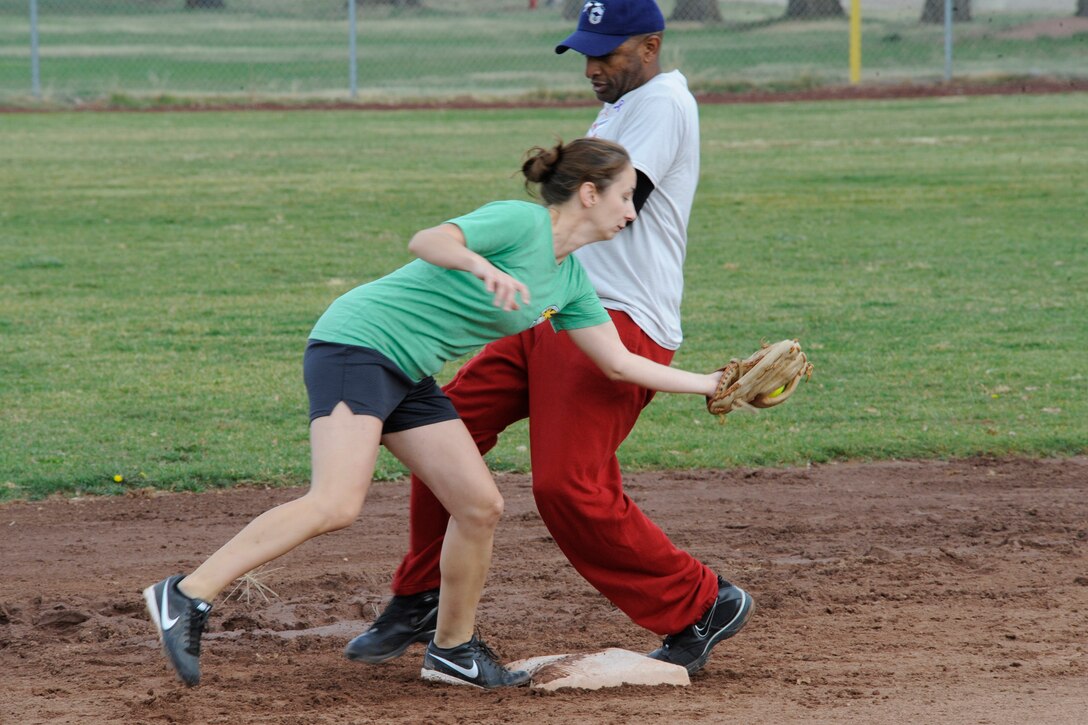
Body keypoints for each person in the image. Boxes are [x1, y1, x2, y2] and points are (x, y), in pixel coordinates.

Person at [143, 137, 728, 691]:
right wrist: (481, 265)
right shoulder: (521, 223)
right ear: (589, 192)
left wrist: (710, 383)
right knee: (336, 502)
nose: (633, 211)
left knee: (479, 506)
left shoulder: (571, 282)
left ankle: (454, 651)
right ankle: (188, 593)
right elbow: (427, 240)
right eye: (626, 195)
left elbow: (619, 364)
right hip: (358, 346)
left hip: (407, 372)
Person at [344, 0, 753, 678]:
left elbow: (616, 203)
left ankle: (700, 603)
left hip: (614, 317)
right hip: (554, 306)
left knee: (569, 486)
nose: (593, 67)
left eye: (608, 53)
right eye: (586, 52)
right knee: (446, 426)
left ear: (650, 45)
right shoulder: (625, 102)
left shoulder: (662, 102)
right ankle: (419, 594)